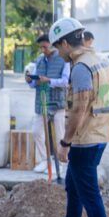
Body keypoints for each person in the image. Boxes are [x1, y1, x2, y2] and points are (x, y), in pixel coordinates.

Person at [38, 18, 109, 217]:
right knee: (74, 185)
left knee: (89, 194)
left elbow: (80, 109)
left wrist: (65, 142)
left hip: (86, 138)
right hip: (99, 133)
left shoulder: (81, 68)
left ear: (65, 43)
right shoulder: (100, 59)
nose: (57, 53)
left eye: (57, 47)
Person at [25, 33, 70, 174]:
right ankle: (45, 160)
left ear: (52, 45)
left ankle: (60, 163)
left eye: (44, 47)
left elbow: (65, 81)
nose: (42, 50)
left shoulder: (64, 60)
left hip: (58, 103)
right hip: (41, 102)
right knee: (37, 132)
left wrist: (48, 80)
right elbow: (35, 83)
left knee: (59, 135)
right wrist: (30, 81)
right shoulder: (39, 60)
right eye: (41, 48)